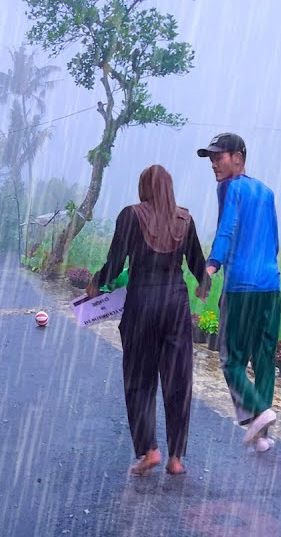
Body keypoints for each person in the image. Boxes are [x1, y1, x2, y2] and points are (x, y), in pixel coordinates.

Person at [87, 165, 210, 476]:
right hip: (175, 303)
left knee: (139, 380)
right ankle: (177, 457)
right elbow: (197, 262)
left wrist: (96, 282)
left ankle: (150, 451)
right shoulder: (185, 218)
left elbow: (115, 262)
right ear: (169, 188)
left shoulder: (131, 215)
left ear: (144, 188)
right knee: (178, 381)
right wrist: (203, 285)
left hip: (142, 301)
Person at [198, 132, 281, 454]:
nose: (214, 164)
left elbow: (227, 228)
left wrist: (212, 266)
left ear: (238, 156)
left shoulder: (230, 188)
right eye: (211, 158)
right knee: (263, 357)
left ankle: (259, 412)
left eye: (218, 157)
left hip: (242, 287)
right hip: (271, 286)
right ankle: (262, 434)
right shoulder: (266, 191)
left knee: (231, 359)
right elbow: (274, 242)